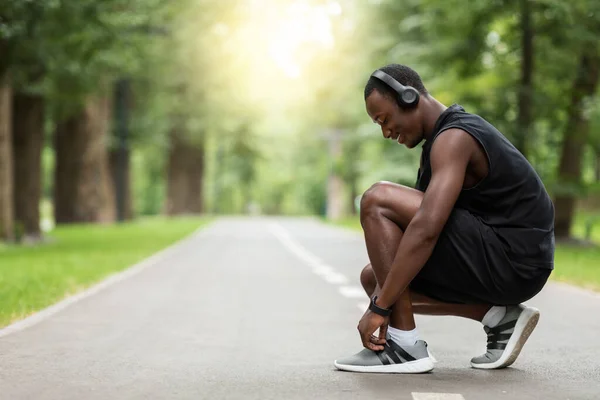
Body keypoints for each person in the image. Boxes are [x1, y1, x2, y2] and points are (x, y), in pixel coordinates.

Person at [334, 64, 555, 374]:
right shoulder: (436, 148)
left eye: (385, 120)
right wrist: (380, 297)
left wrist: (379, 308)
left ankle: (404, 347)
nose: (385, 132)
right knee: (376, 278)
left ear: (409, 98)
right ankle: (498, 317)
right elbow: (412, 238)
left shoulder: (455, 137)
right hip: (503, 261)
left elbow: (425, 229)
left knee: (376, 199)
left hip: (515, 258)